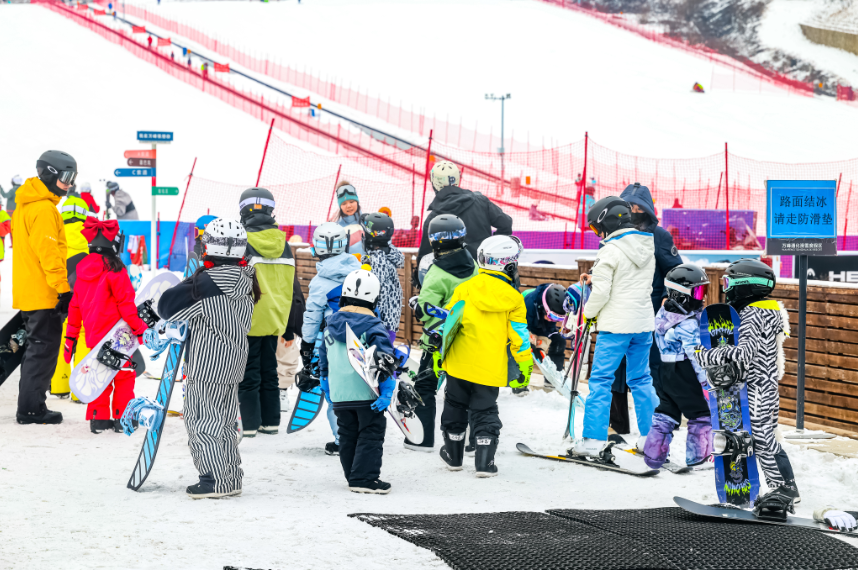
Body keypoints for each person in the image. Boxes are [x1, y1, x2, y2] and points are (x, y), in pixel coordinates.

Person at [157, 218, 259, 499]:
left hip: (207, 364)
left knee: (201, 420)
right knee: (224, 422)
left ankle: (214, 480)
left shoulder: (205, 282)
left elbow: (168, 307)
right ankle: (230, 477)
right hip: (233, 363)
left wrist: (193, 278)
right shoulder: (246, 279)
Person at [694, 259, 799, 504]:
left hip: (757, 388)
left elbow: (744, 354)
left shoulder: (754, 312)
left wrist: (706, 355)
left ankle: (785, 488)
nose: (726, 288)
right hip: (764, 384)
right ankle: (776, 487)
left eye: (729, 282)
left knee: (762, 437)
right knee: (761, 436)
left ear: (745, 285)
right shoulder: (769, 310)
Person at [571, 196, 658, 457]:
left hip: (616, 327)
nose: (598, 234)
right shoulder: (645, 245)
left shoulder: (610, 249)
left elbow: (602, 293)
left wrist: (587, 313)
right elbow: (626, 280)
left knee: (601, 380)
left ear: (607, 222)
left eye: (597, 228)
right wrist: (595, 276)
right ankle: (652, 439)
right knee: (641, 379)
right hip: (642, 324)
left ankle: (593, 440)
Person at [439, 235, 532, 477]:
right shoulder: (513, 299)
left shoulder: (463, 289)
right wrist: (525, 369)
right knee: (485, 410)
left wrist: (441, 359)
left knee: (454, 406)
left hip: (458, 364)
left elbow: (449, 326)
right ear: (509, 264)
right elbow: (519, 340)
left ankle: (453, 456)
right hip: (490, 368)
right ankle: (484, 462)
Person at [609, 182, 684, 440]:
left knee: (653, 369)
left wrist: (666, 297)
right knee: (616, 368)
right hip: (618, 311)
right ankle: (616, 425)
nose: (632, 211)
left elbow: (675, 272)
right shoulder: (613, 233)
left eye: (637, 206)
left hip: (651, 313)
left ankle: (662, 423)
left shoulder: (659, 236)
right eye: (628, 206)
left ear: (648, 209)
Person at [13, 150, 78, 425]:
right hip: (44, 293)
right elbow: (49, 254)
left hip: (30, 291)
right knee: (43, 350)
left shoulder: (26, 205)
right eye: (66, 177)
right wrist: (63, 289)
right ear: (50, 174)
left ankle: (30, 403)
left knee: (35, 349)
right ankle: (31, 409)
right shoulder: (43, 209)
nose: (70, 184)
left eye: (73, 178)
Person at [65, 220, 147, 433]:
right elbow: (126, 306)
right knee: (124, 377)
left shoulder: (80, 272)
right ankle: (122, 419)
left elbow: (74, 307)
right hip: (119, 336)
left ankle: (98, 418)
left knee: (99, 376)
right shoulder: (115, 270)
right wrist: (139, 328)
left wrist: (70, 338)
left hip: (94, 339)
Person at [319, 268, 396, 494]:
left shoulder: (330, 325)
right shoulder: (373, 326)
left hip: (340, 394)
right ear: (374, 300)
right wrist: (387, 391)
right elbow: (384, 361)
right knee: (370, 433)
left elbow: (323, 357)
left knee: (347, 433)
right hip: (366, 393)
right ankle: (363, 478)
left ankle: (352, 473)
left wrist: (325, 381)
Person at [406, 215, 477, 451]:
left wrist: (417, 305)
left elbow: (426, 311)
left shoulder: (436, 273)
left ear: (435, 241)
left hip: (437, 341)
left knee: (425, 386)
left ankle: (422, 439)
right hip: (467, 338)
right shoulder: (474, 266)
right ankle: (470, 439)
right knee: (465, 389)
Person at [237, 188, 295, 437]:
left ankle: (248, 424)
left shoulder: (242, 241)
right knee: (269, 370)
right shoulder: (285, 244)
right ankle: (270, 422)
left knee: (248, 372)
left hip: (248, 318)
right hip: (275, 318)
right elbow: (293, 287)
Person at [300, 222, 361, 455]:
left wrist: (306, 346)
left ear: (316, 248)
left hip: (331, 341)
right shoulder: (359, 272)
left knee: (335, 391)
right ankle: (362, 432)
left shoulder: (319, 282)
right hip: (361, 336)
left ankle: (342, 440)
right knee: (358, 386)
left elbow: (313, 316)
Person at [643, 264, 713, 469]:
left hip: (664, 371)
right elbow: (695, 355)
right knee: (700, 414)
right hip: (684, 372)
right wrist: (706, 382)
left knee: (667, 412)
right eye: (699, 291)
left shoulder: (664, 313)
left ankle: (654, 455)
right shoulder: (688, 322)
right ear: (682, 295)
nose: (702, 296)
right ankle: (698, 457)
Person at [415, 161, 513, 274]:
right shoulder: (480, 201)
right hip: (484, 272)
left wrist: (417, 278)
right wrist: (489, 248)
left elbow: (424, 257)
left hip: (453, 277)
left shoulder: (434, 218)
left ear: (434, 183)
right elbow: (506, 223)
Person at [50, 195, 96, 399]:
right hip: (87, 297)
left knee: (62, 337)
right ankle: (80, 389)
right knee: (85, 336)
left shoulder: (55, 234)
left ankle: (59, 385)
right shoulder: (93, 236)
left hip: (61, 297)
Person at [360, 212, 404, 344]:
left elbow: (378, 292)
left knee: (378, 358)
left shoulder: (378, 260)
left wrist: (373, 318)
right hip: (385, 323)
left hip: (381, 324)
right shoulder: (385, 254)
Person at [522, 283, 567, 392]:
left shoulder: (553, 310)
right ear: (544, 307)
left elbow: (549, 330)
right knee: (524, 350)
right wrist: (531, 342)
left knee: (559, 342)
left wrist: (542, 345)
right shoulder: (528, 303)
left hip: (541, 325)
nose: (553, 320)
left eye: (558, 318)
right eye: (552, 316)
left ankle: (552, 380)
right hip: (524, 324)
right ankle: (520, 383)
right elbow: (520, 327)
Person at [277, 269, 305, 413]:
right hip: (264, 319)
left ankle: (281, 392)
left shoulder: (284, 265)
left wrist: (288, 329)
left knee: (286, 357)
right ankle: (278, 392)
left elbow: (294, 299)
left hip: (283, 322)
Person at [330, 181, 363, 255]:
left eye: (351, 202)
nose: (348, 206)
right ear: (340, 206)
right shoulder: (337, 228)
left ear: (357, 202)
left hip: (366, 265)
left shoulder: (366, 223)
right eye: (344, 203)